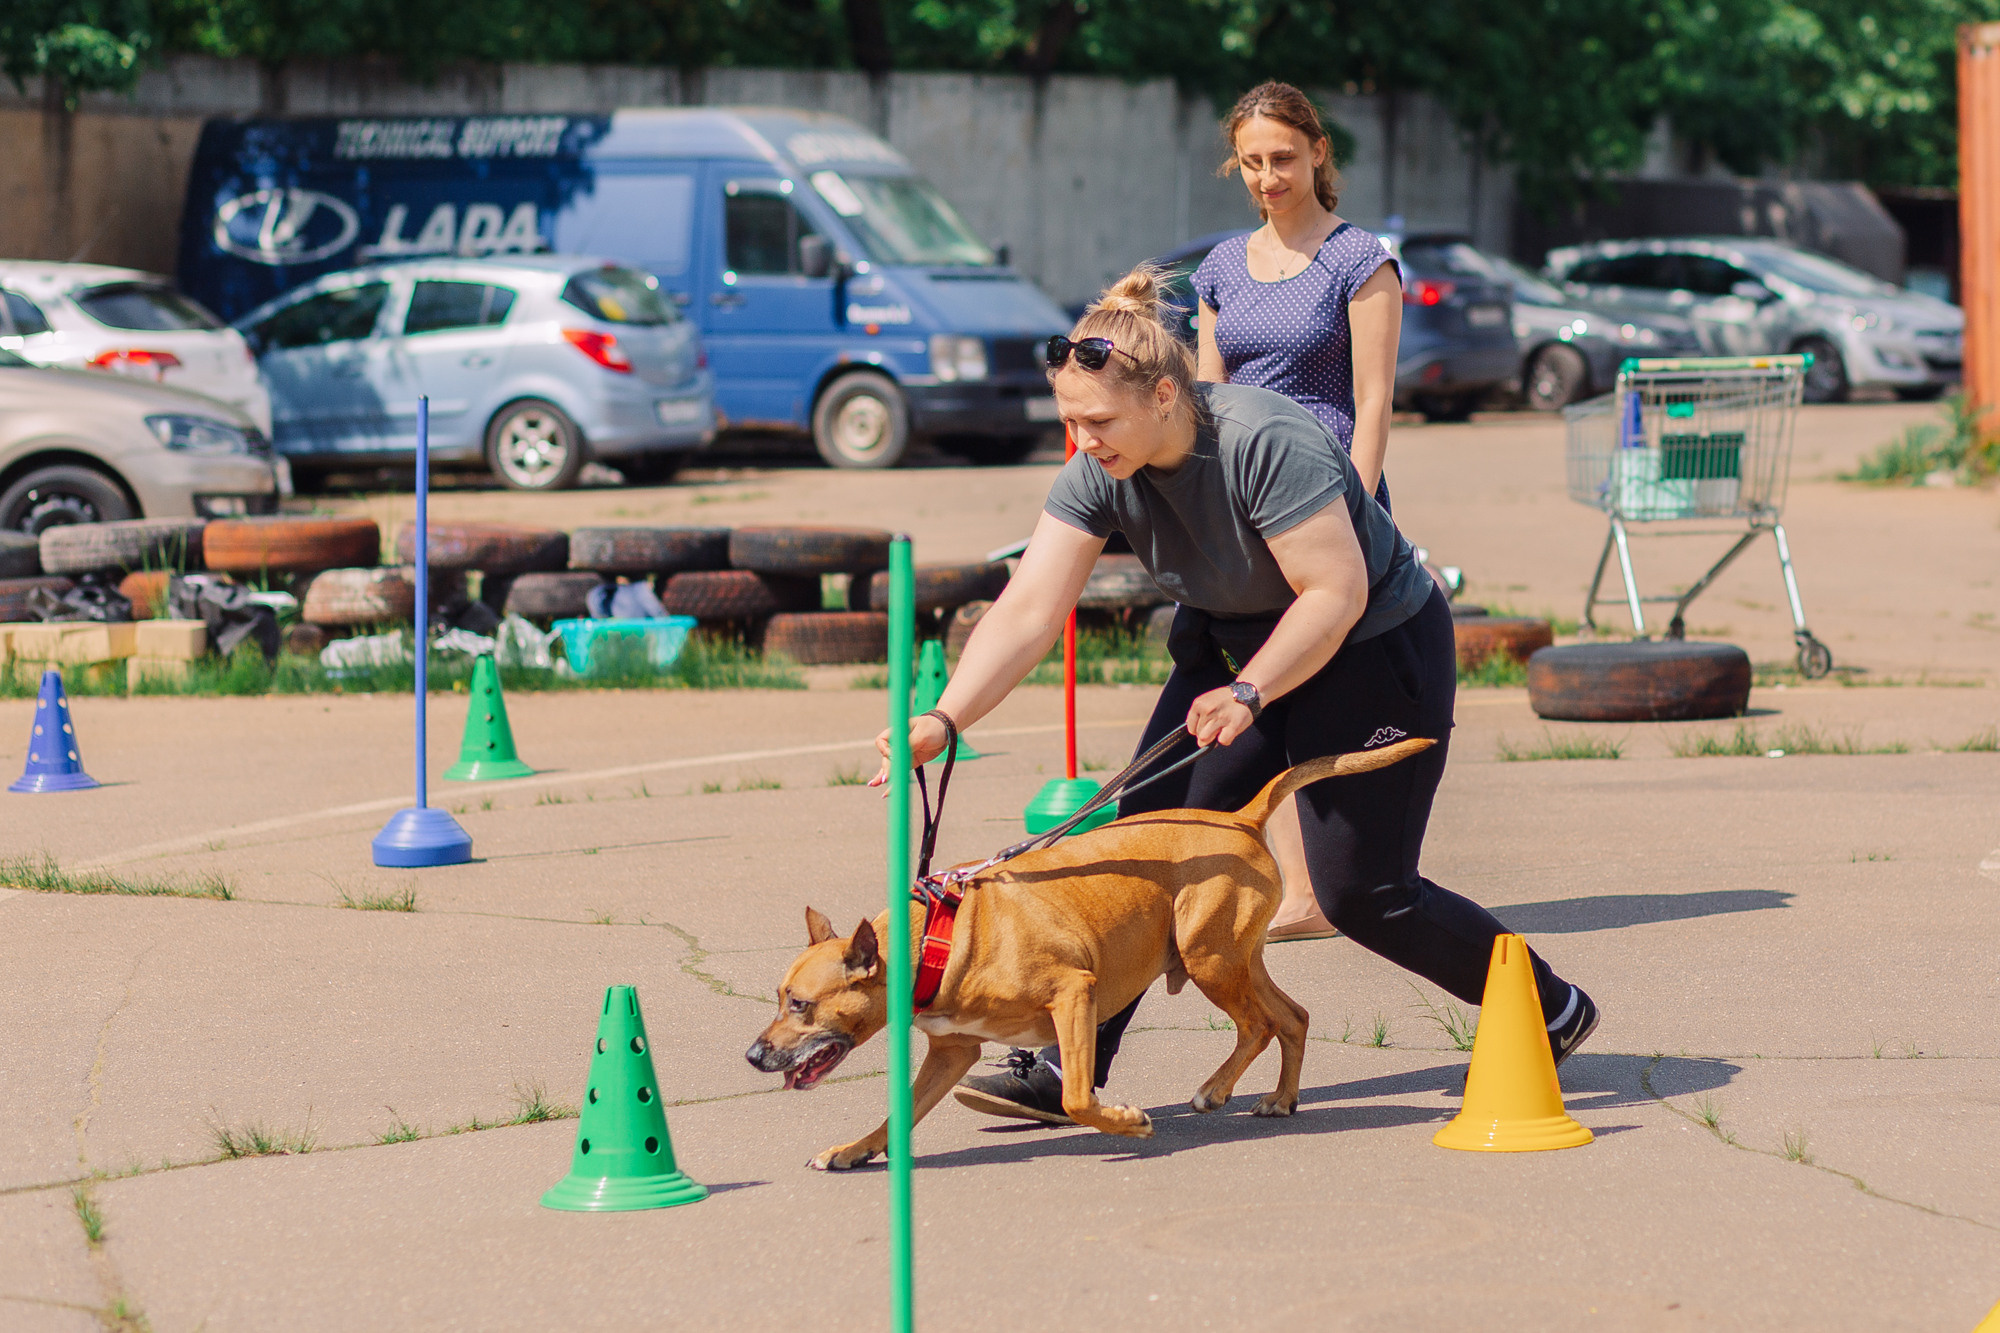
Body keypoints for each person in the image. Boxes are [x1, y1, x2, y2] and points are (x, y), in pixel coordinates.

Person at [873, 265, 1597, 1126]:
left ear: (1167, 394)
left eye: (1098, 420)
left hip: (1371, 647)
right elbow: (1030, 607)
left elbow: (1333, 592)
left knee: (1362, 892)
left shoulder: (1262, 439)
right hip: (1234, 651)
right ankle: (1075, 1067)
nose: (1084, 439)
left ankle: (1547, 1004)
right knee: (1137, 848)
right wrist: (945, 716)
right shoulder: (1100, 470)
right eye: (1071, 420)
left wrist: (1252, 692)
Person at [1193, 81, 1407, 942]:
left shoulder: (1361, 260)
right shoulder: (1218, 268)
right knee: (1254, 686)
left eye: (1283, 158)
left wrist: (1353, 507)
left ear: (1319, 152)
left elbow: (1375, 399)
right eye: (1251, 162)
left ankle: (1326, 882)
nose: (1268, 177)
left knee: (1312, 683)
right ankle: (1295, 888)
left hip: (1323, 499)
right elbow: (1208, 400)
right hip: (1241, 504)